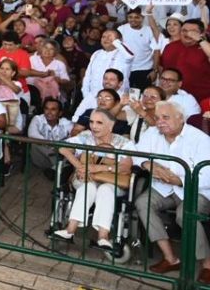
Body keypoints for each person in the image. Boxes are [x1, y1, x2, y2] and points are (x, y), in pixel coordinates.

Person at [134, 101, 210, 280]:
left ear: (180, 118)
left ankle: (207, 263)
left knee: (185, 214)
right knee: (142, 203)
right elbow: (136, 152)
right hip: (163, 188)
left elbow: (207, 175)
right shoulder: (152, 133)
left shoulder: (200, 139)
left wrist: (180, 180)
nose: (160, 122)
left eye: (165, 117)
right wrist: (147, 164)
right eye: (157, 118)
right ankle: (171, 258)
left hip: (195, 190)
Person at [47, 109, 135, 249]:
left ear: (111, 125)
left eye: (99, 123)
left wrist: (99, 168)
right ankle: (70, 230)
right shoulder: (86, 137)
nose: (94, 126)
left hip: (112, 181)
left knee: (106, 189)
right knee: (89, 187)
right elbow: (63, 148)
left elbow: (125, 167)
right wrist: (80, 166)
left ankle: (103, 236)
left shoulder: (123, 143)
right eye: (92, 122)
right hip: (86, 179)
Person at [160, 20, 210, 103]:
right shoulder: (170, 47)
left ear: (202, 33)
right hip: (172, 98)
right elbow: (162, 68)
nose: (188, 34)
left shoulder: (205, 48)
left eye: (193, 31)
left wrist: (200, 39)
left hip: (201, 99)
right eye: (184, 30)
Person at [27, 97, 73, 173]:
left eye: (53, 109)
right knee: (35, 142)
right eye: (46, 109)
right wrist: (52, 145)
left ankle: (55, 169)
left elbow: (75, 136)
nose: (49, 112)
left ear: (60, 112)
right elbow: (32, 134)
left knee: (71, 144)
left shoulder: (66, 123)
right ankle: (59, 167)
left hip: (61, 156)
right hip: (42, 159)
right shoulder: (38, 119)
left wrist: (61, 146)